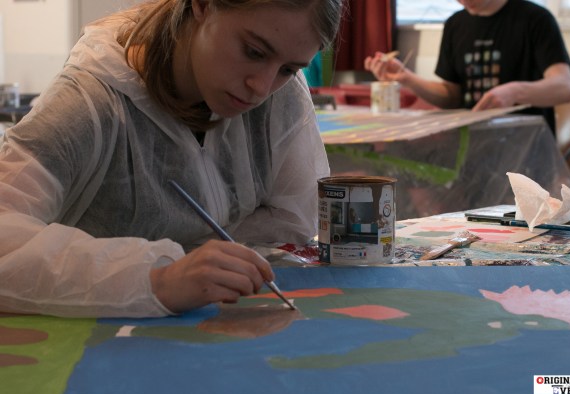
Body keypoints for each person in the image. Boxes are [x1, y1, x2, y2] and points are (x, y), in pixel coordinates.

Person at [0, 0, 344, 318]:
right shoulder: (89, 104)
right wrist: (157, 278)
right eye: (253, 51)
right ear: (202, 5)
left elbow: (294, 220)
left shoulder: (280, 95)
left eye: (289, 69)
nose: (262, 87)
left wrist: (197, 257)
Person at [364, 0, 570, 133]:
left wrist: (515, 92)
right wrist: (407, 78)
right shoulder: (455, 24)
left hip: (525, 145)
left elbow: (564, 88)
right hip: (472, 146)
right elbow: (452, 96)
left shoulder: (536, 19)